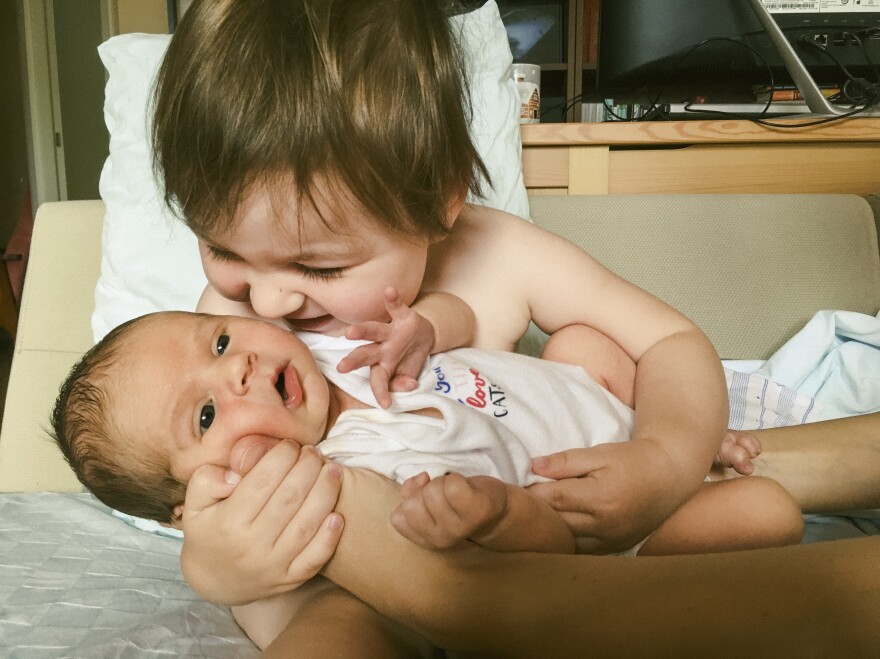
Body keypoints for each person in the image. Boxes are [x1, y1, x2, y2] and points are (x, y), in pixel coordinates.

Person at [153, 0, 731, 560]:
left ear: (438, 201)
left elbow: (669, 341)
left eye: (319, 267)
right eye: (222, 249)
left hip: (561, 494)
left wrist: (665, 459)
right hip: (434, 551)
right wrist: (221, 565)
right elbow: (189, 463)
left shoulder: (503, 255)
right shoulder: (231, 336)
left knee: (589, 351)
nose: (268, 300)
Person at [51, 310, 794, 558]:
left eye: (215, 342)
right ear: (211, 492)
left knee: (577, 339)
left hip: (610, 409)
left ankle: (697, 437)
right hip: (611, 505)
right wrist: (493, 517)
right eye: (206, 415)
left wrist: (427, 320)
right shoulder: (355, 482)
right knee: (767, 513)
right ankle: (693, 478)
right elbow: (525, 560)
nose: (237, 367)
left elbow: (456, 321)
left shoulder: (338, 344)